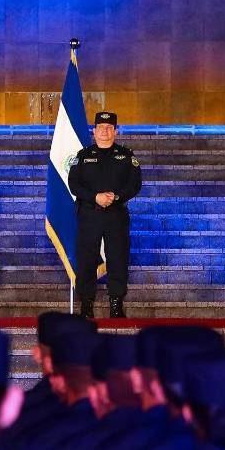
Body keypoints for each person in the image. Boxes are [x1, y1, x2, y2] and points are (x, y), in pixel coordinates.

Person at [67, 112, 142, 319]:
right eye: (101, 127)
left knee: (118, 259)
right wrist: (95, 197)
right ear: (94, 131)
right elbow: (74, 184)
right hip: (89, 215)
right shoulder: (83, 156)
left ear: (116, 131)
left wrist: (116, 197)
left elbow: (135, 184)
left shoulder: (126, 156)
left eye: (110, 128)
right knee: (86, 260)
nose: (105, 131)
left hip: (116, 216)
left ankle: (116, 305)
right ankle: (86, 305)